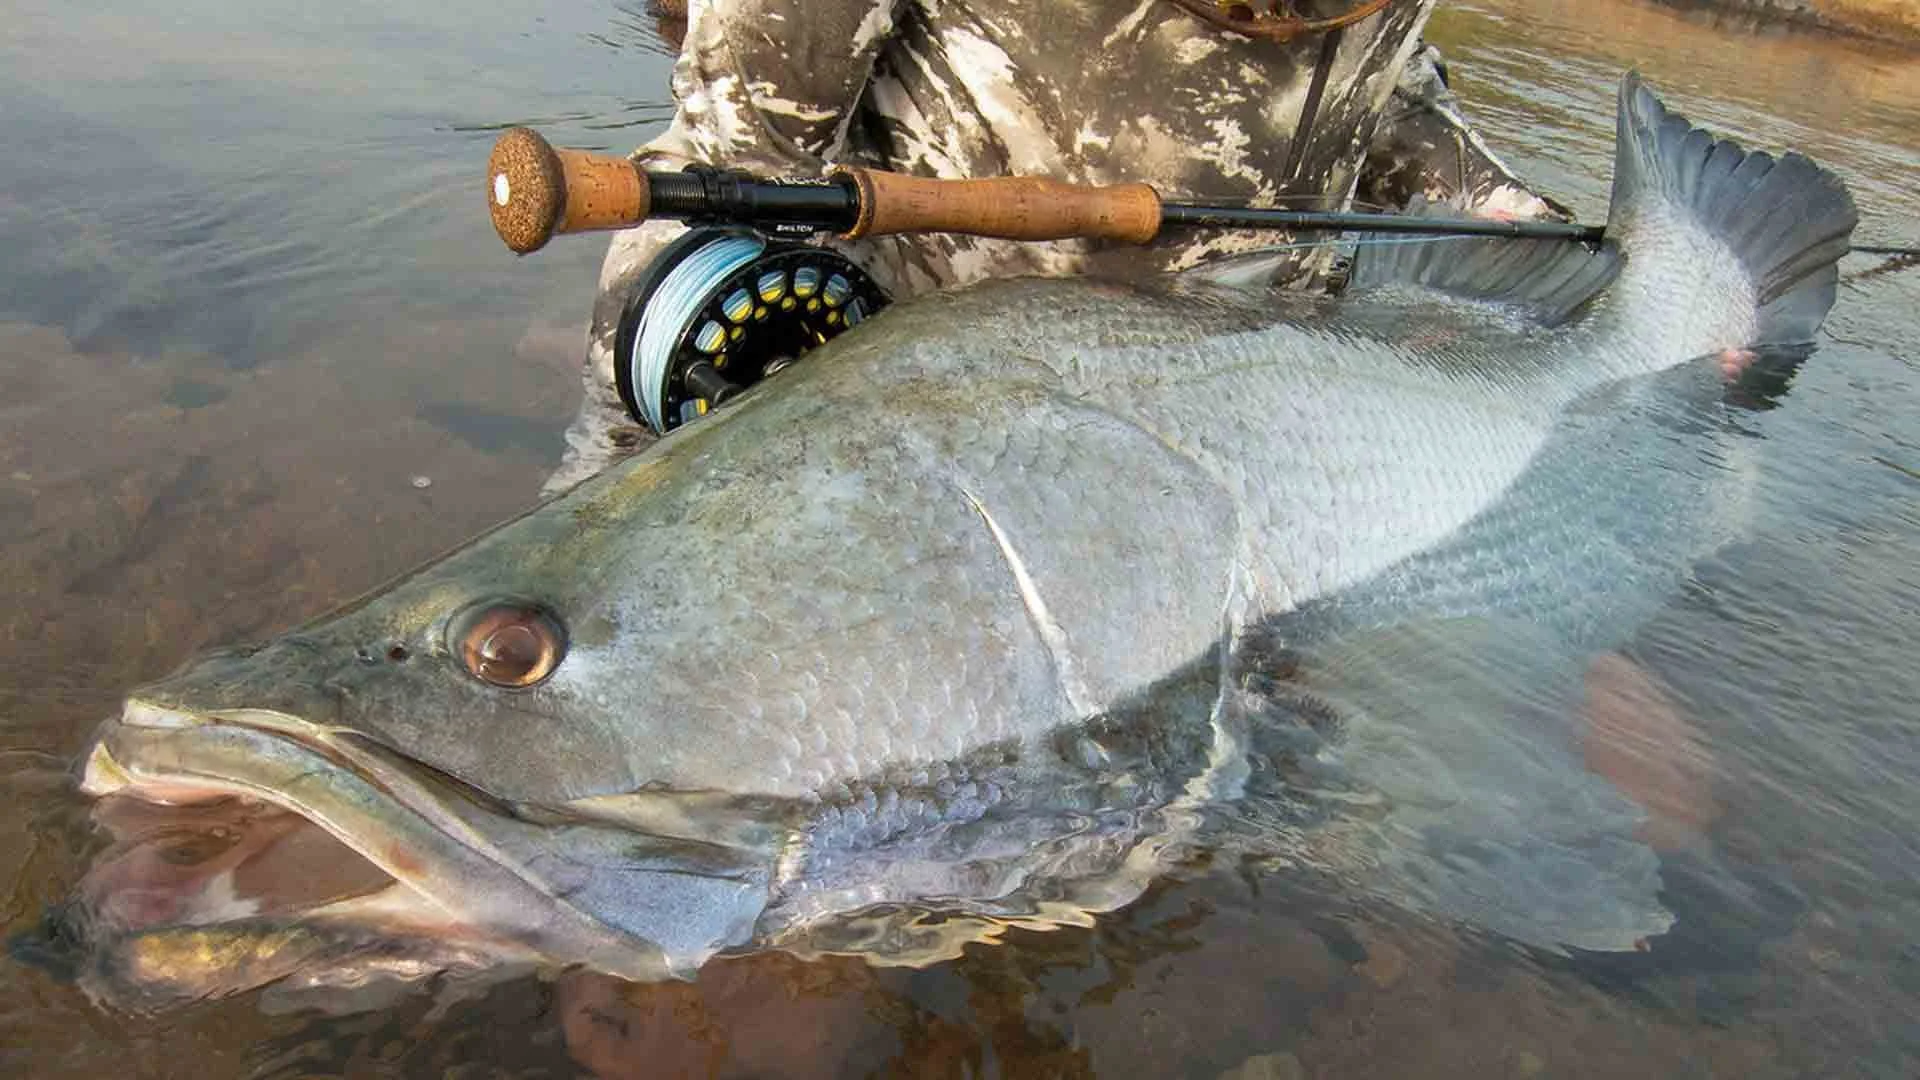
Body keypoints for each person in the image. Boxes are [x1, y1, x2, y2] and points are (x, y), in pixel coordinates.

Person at [547, 0, 1569, 492]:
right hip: (909, 416)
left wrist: (1510, 221)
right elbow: (734, 169)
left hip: (1253, 436)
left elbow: (1391, 88)